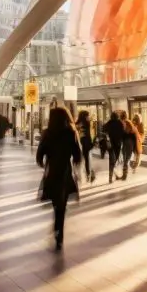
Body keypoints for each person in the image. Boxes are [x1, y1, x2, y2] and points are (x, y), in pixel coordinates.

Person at [36, 107, 82, 251]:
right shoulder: (71, 133)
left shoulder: (47, 133)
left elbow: (39, 154)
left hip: (52, 172)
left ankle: (57, 228)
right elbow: (77, 155)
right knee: (62, 204)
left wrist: (43, 163)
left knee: (56, 203)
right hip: (65, 171)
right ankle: (59, 233)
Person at [102, 112, 125, 183]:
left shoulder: (108, 123)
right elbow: (122, 134)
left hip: (110, 145)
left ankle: (110, 177)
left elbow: (103, 131)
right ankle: (115, 175)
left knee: (111, 160)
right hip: (117, 145)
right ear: (117, 116)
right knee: (115, 160)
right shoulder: (120, 123)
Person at [76, 110, 96, 184]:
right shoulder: (86, 123)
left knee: (84, 160)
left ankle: (88, 174)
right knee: (87, 160)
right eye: (87, 115)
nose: (88, 117)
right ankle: (89, 174)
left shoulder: (79, 124)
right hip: (85, 144)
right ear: (84, 116)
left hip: (81, 144)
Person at [121, 111, 137, 179]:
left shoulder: (120, 122)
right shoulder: (128, 121)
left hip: (125, 141)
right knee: (127, 157)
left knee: (125, 158)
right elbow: (133, 131)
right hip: (129, 141)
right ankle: (125, 172)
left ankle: (125, 173)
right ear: (126, 115)